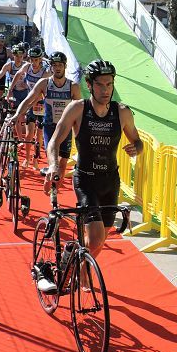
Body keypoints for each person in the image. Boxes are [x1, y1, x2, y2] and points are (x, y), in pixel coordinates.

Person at [44, 60, 144, 260]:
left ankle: (76, 261)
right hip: (86, 180)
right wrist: (53, 165)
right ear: (89, 85)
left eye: (109, 84)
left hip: (110, 181)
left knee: (99, 240)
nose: (105, 90)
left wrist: (137, 148)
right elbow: (54, 141)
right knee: (96, 238)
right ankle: (78, 260)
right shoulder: (77, 109)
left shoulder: (122, 112)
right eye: (99, 84)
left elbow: (138, 140)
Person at [10, 51, 82, 177]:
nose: (57, 68)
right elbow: (28, 100)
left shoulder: (73, 86)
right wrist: (17, 115)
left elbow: (79, 111)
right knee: (52, 161)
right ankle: (51, 191)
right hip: (49, 126)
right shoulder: (44, 83)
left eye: (60, 65)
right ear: (51, 67)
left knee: (63, 164)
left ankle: (54, 190)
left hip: (66, 128)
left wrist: (80, 131)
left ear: (65, 66)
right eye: (54, 65)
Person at [12, 45, 51, 165]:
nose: (33, 62)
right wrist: (10, 89)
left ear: (40, 59)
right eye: (31, 59)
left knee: (39, 135)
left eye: (36, 60)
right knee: (29, 134)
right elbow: (18, 74)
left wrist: (31, 104)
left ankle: (35, 158)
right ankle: (27, 158)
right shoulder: (27, 67)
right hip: (30, 102)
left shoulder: (46, 72)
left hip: (41, 104)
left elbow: (40, 93)